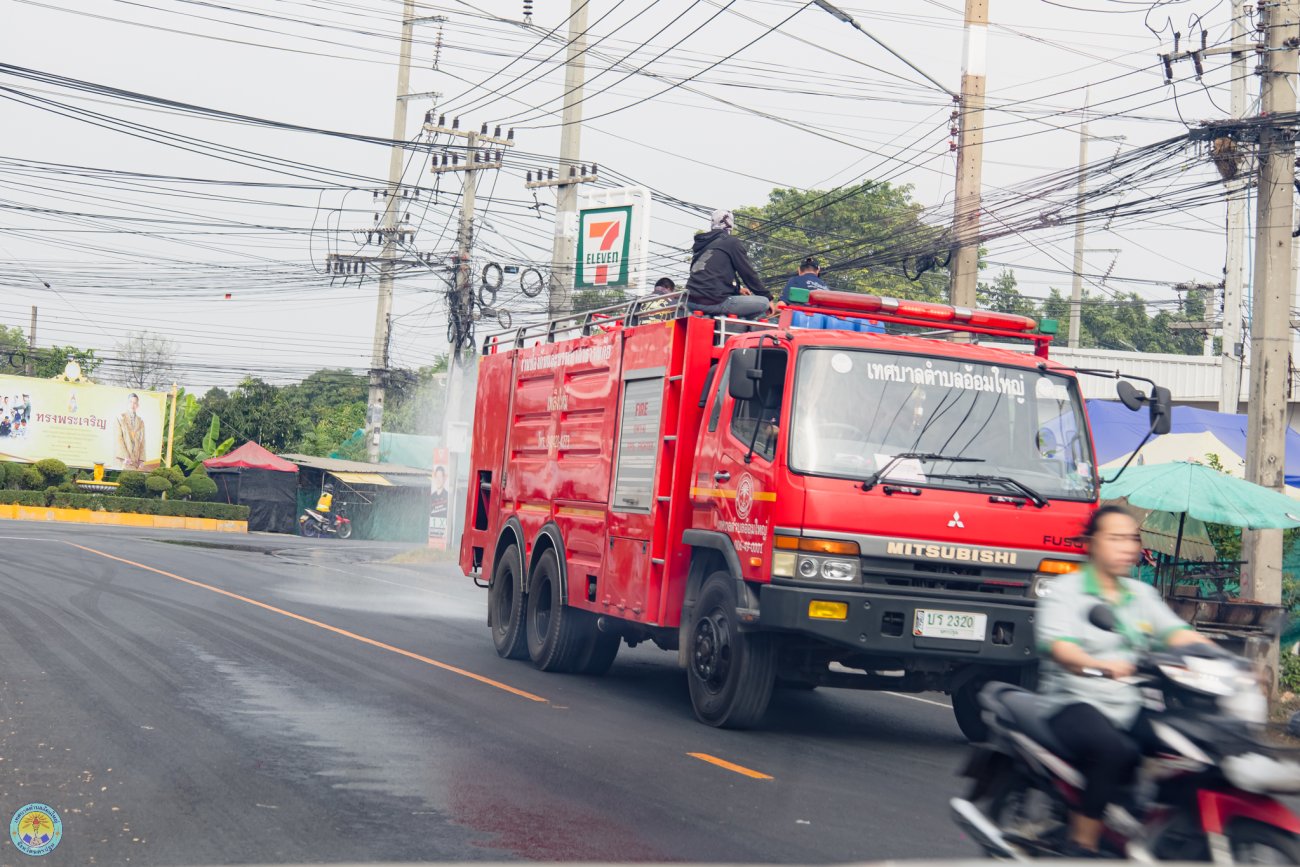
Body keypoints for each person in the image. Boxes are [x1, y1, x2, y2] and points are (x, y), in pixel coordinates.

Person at [1035, 505, 1218, 856]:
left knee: (1189, 744)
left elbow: (1177, 634)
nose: (1127, 546)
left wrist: (1228, 661)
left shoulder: (1141, 594)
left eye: (1132, 538)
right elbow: (1060, 648)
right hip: (1073, 700)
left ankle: (1152, 829)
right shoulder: (1066, 591)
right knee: (1114, 751)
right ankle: (1083, 845)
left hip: (1128, 702)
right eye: (1115, 538)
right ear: (1091, 543)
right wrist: (1101, 665)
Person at [684, 209, 774, 318]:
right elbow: (748, 274)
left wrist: (738, 290)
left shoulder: (701, 245)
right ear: (730, 224)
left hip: (691, 301)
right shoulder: (731, 242)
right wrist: (768, 297)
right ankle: (741, 332)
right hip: (713, 302)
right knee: (763, 303)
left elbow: (709, 278)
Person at [114, 393, 146, 469]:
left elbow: (142, 441)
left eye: (135, 403)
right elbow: (118, 438)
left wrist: (141, 459)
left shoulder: (140, 421)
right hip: (123, 460)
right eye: (130, 402)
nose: (132, 405)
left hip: (135, 461)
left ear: (137, 405)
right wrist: (125, 456)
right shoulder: (120, 418)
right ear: (127, 403)